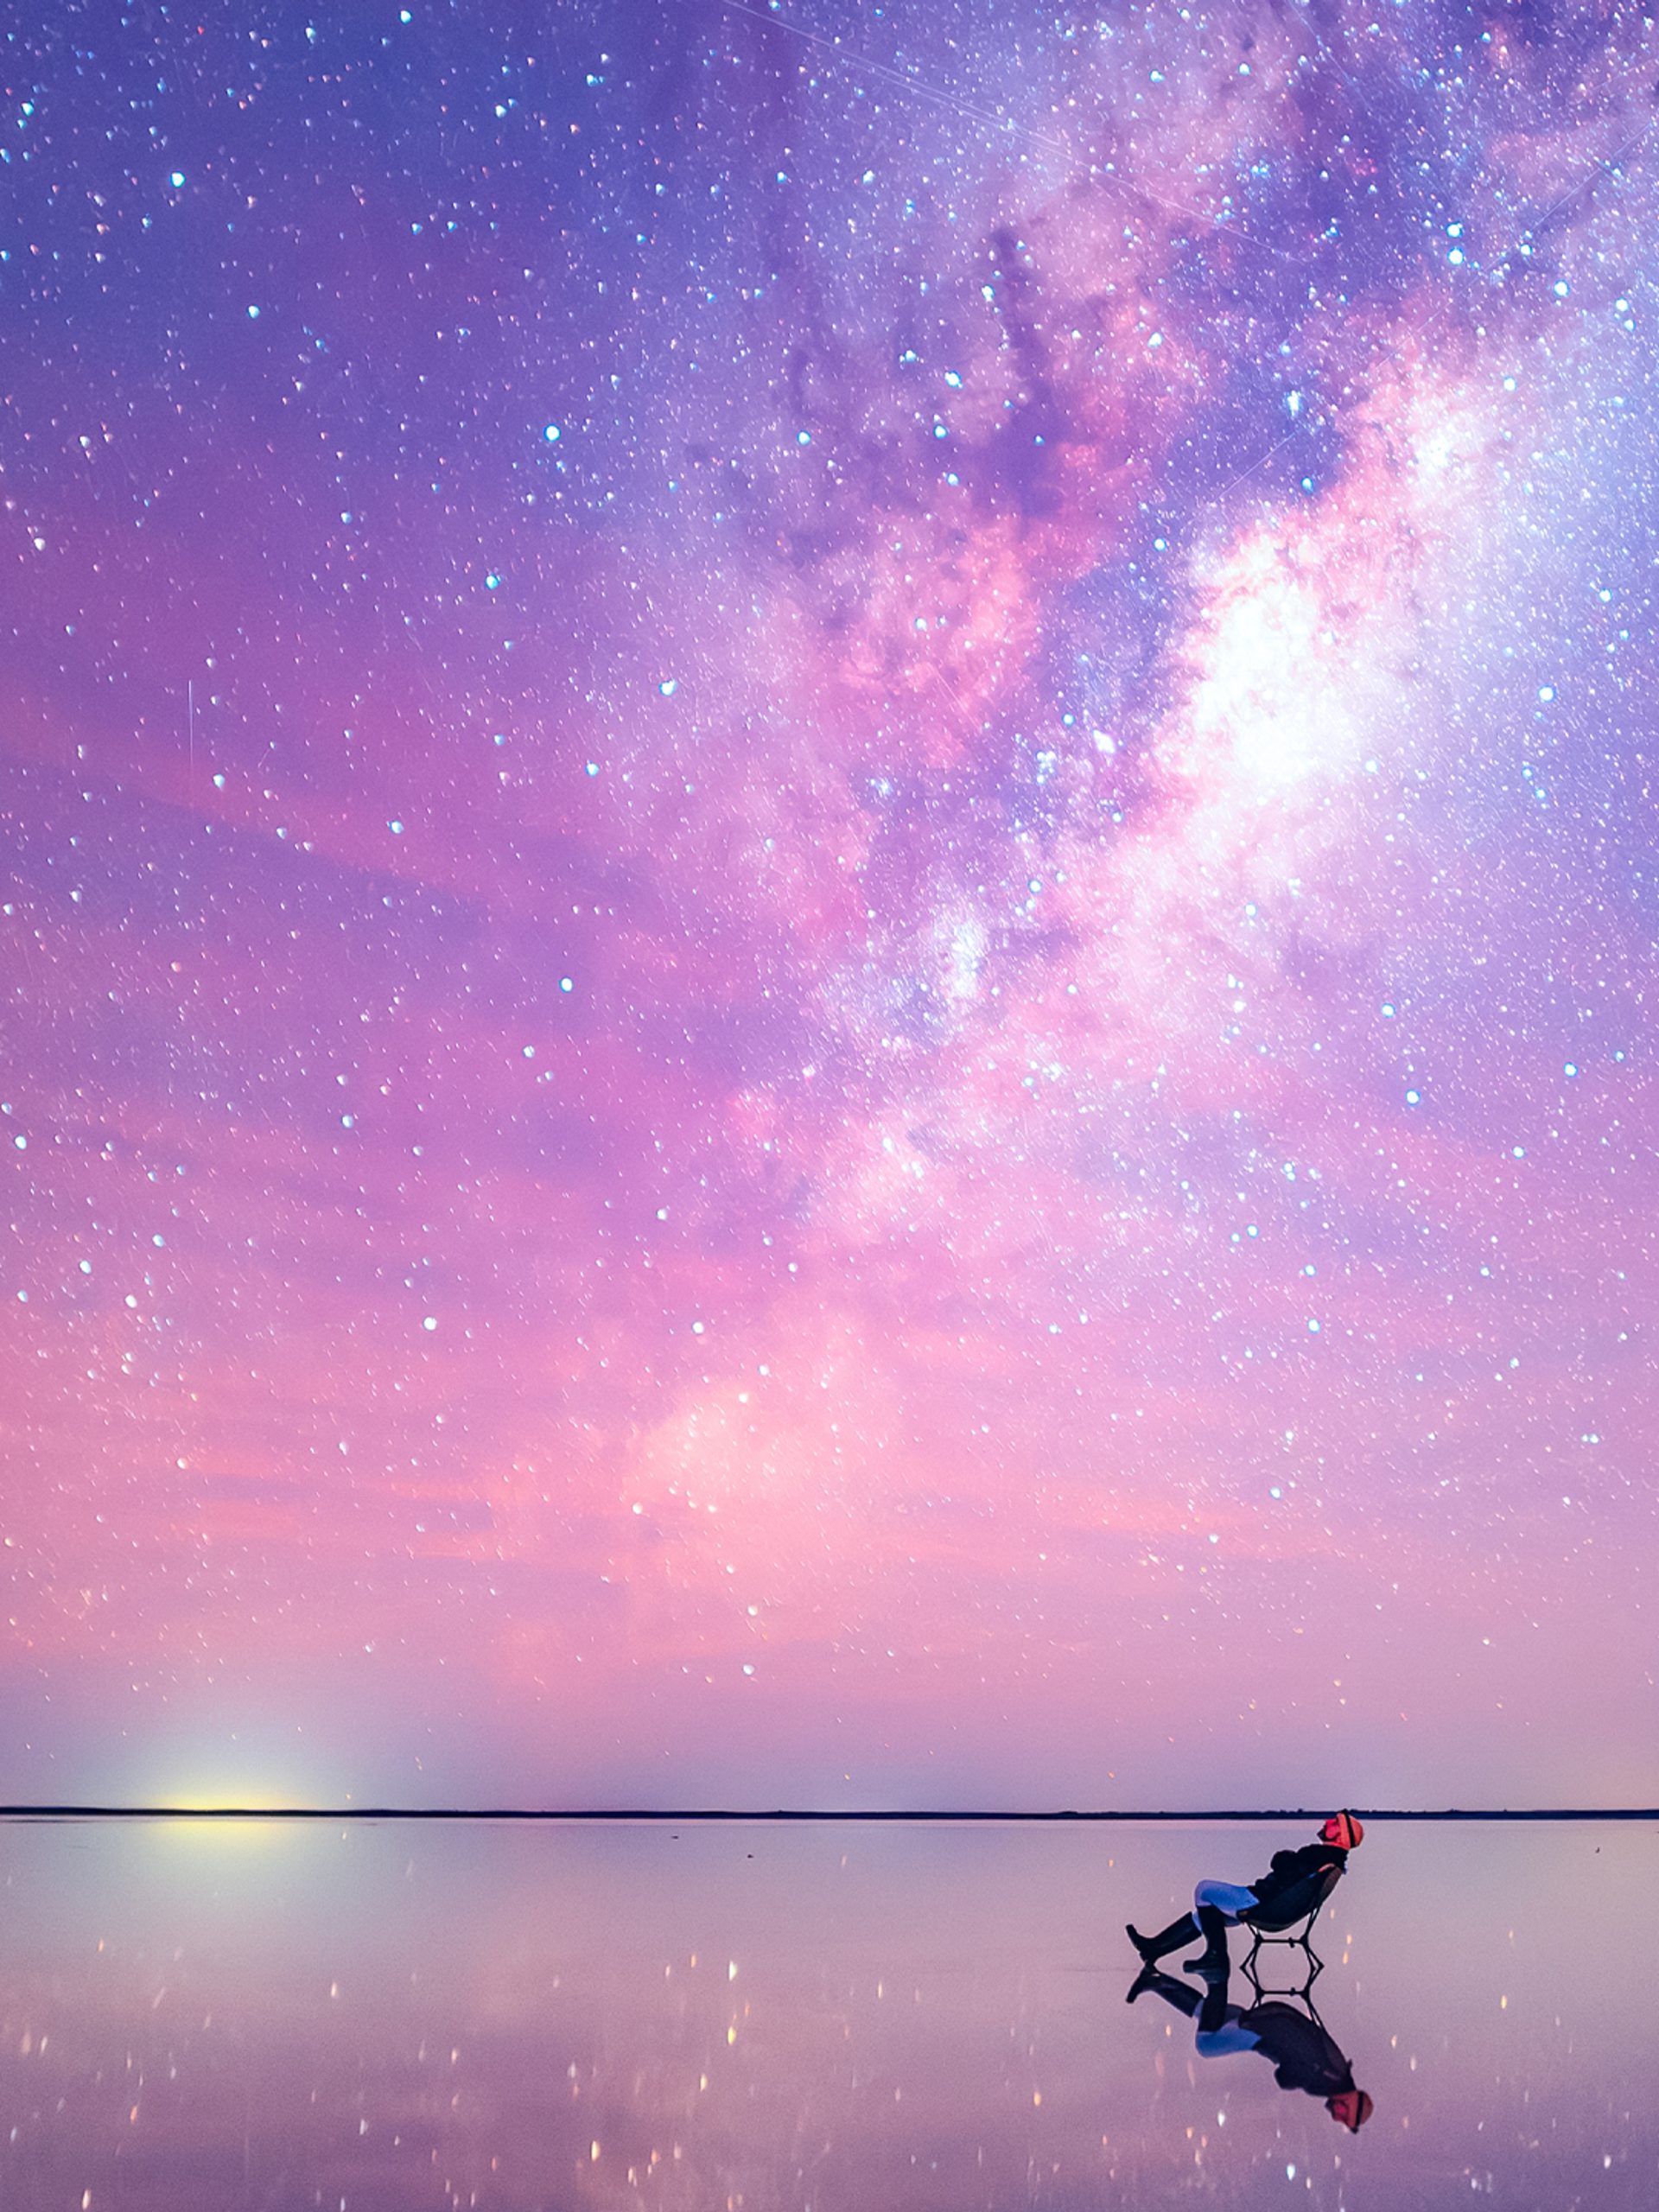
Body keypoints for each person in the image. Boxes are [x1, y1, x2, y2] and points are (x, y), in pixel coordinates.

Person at [1128, 1953, 1374, 2133]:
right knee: (1207, 2044)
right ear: (1350, 2103)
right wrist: (1291, 2081)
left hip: (1272, 2020)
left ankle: (1155, 1981)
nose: (1336, 2118)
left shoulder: (1337, 2073)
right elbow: (1286, 2076)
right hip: (1263, 2034)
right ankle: (1216, 1978)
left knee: (1207, 2014)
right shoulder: (1328, 2079)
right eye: (1345, 2117)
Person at [1126, 1810, 1363, 1976]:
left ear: (1339, 1834)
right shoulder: (1330, 1860)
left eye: (1333, 1822)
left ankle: (1217, 1957)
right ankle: (1153, 1948)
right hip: (1270, 1903)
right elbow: (1290, 1870)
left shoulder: (1318, 1856)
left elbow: (1283, 1865)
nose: (1326, 1822)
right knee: (1206, 1916)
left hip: (1261, 1902)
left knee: (1204, 1890)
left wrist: (1283, 1857)